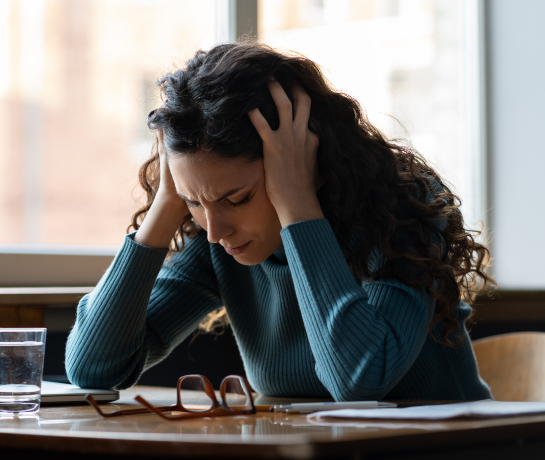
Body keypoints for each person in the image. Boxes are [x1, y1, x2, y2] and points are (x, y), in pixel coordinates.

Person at [66, 43, 494, 401]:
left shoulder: (399, 209)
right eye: (194, 202)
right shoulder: (216, 238)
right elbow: (92, 368)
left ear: (303, 163)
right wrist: (167, 203)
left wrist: (297, 204)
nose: (215, 231)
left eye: (237, 198)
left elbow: (359, 380)